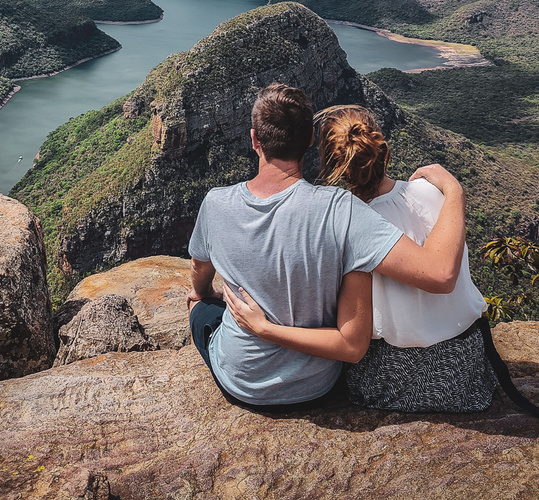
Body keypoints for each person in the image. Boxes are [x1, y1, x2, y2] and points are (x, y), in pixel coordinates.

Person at [223, 104, 539, 419]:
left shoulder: (345, 225)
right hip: (464, 371)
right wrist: (454, 188)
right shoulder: (433, 194)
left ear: (331, 167)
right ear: (385, 152)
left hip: (389, 377)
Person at [187, 83, 468, 410]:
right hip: (318, 385)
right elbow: (441, 274)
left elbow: (199, 272)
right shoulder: (342, 210)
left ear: (254, 139)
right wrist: (455, 190)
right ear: (309, 140)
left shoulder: (214, 204)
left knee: (201, 309)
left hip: (240, 383)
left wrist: (206, 293)